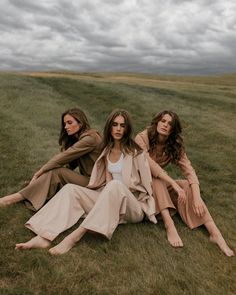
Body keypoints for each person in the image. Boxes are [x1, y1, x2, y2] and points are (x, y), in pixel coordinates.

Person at [15, 109, 157, 255]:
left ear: (127, 129)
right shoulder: (106, 150)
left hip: (133, 207)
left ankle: (74, 237)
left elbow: (147, 186)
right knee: (71, 189)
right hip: (109, 199)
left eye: (123, 125)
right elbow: (106, 182)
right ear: (110, 127)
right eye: (115, 124)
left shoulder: (136, 153)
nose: (119, 129)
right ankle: (44, 236)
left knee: (115, 185)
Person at [135, 110, 234, 257]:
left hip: (159, 187)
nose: (165, 125)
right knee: (157, 179)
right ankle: (170, 225)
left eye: (170, 124)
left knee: (187, 186)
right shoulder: (142, 138)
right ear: (157, 122)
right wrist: (172, 184)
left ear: (173, 129)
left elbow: (189, 170)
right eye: (163, 121)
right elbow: (150, 166)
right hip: (138, 186)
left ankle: (215, 234)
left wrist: (197, 196)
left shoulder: (174, 145)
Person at [0, 107, 102, 210]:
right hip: (91, 181)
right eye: (65, 124)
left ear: (80, 123)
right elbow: (70, 164)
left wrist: (39, 172)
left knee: (57, 172)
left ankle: (11, 199)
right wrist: (45, 174)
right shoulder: (84, 138)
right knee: (53, 171)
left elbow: (62, 158)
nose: (66, 127)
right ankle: (28, 192)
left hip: (97, 185)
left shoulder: (90, 138)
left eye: (70, 123)